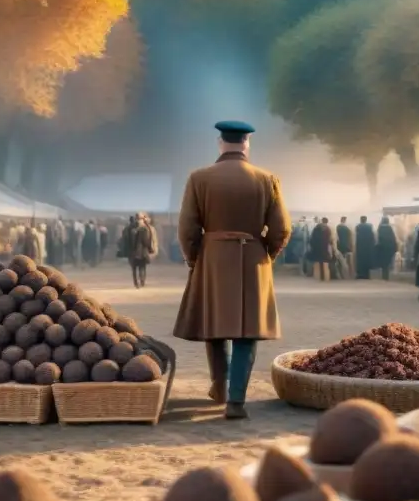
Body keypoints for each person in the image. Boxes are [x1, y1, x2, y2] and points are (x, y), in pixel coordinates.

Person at [173, 120, 290, 420]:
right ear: (247, 144)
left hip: (211, 257)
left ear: (220, 143)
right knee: (246, 331)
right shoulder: (267, 179)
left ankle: (219, 386)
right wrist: (267, 254)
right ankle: (236, 401)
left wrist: (194, 258)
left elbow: (187, 228)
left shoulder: (199, 178)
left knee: (214, 323)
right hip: (253, 257)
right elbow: (281, 229)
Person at [127, 213, 158, 288]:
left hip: (132, 252)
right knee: (142, 267)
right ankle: (142, 281)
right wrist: (150, 249)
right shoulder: (144, 229)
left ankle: (136, 283)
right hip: (142, 252)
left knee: (134, 269)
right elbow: (146, 241)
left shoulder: (130, 228)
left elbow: (127, 240)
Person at [308, 217, 334, 281]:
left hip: (316, 250)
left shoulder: (316, 228)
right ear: (327, 222)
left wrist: (312, 247)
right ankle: (326, 278)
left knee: (317, 265)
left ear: (321, 221)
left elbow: (311, 239)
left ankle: (318, 278)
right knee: (325, 265)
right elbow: (330, 241)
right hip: (325, 250)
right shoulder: (328, 229)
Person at [375, 216, 398, 281]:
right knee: (388, 262)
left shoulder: (380, 228)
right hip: (389, 247)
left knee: (383, 262)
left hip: (382, 248)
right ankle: (386, 275)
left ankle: (384, 275)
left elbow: (377, 238)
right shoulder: (390, 228)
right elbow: (393, 238)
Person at [355, 215, 376, 279]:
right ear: (366, 220)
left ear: (360, 220)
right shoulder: (369, 227)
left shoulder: (358, 227)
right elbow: (372, 237)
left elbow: (357, 237)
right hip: (368, 247)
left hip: (360, 247)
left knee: (360, 261)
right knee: (367, 260)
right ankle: (367, 275)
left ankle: (361, 274)